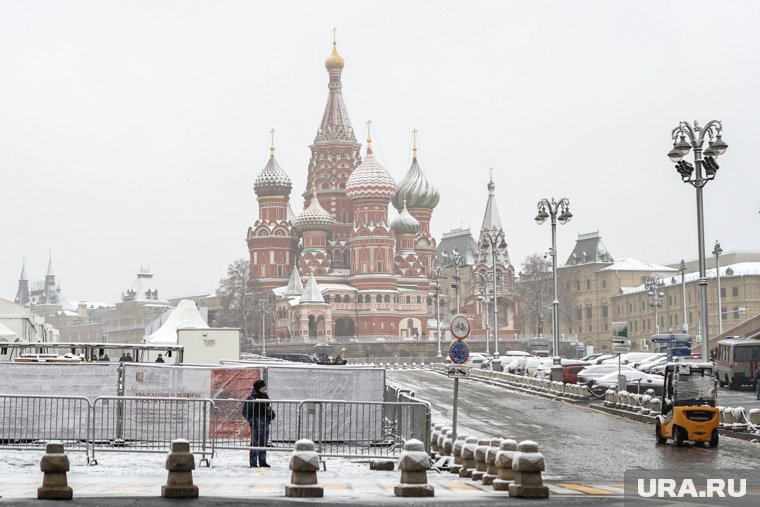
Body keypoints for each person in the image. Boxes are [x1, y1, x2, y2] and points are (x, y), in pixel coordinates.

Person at [244, 379, 273, 468]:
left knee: (263, 442)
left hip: (264, 423)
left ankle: (262, 461)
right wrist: (251, 421)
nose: (264, 388)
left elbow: (268, 408)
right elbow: (245, 411)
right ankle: (253, 462)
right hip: (256, 423)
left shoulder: (265, 396)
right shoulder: (251, 398)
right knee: (255, 442)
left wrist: (269, 415)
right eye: (263, 387)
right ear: (258, 387)